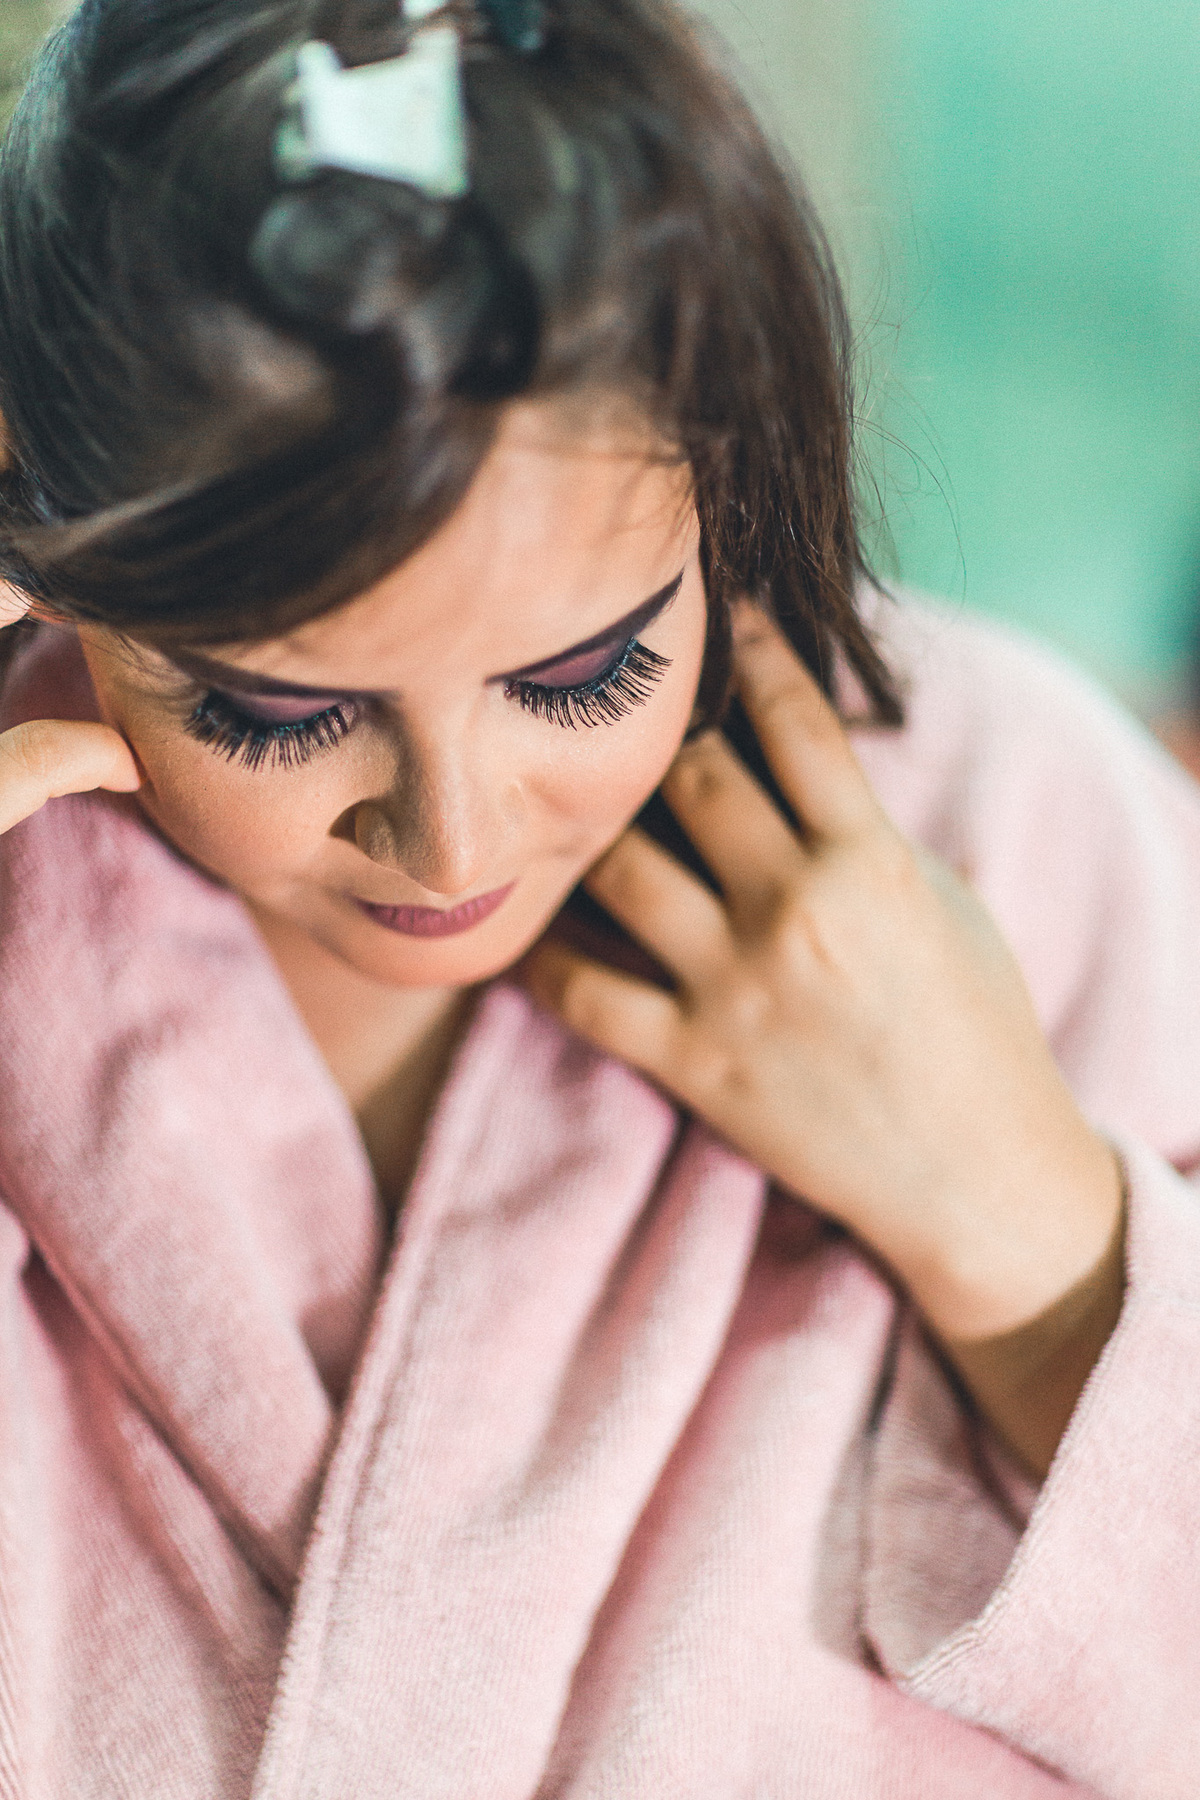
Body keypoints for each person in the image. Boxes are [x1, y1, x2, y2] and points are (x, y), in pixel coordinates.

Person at [0, 0, 1196, 1793]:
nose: (456, 842)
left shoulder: (1021, 825)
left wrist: (1024, 1231)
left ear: (731, 485)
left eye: (579, 679)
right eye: (270, 710)